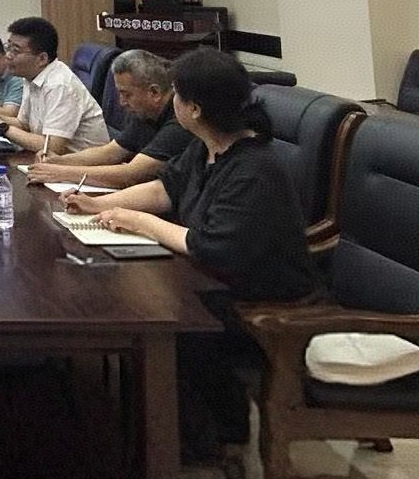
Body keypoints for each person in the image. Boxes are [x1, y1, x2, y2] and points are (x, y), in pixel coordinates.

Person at [59, 49, 321, 461]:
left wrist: (139, 222)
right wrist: (97, 205)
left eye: (177, 95)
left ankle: (204, 441)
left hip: (260, 300)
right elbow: (165, 188)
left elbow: (210, 246)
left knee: (162, 316)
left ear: (194, 108)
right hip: (212, 278)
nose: (172, 102)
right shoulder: (207, 147)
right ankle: (139, 428)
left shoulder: (255, 167)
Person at [27, 49, 189, 188]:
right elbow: (111, 152)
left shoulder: (181, 120)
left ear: (154, 92)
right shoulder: (147, 112)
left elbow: (131, 174)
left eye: (127, 94)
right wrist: (59, 161)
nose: (121, 102)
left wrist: (60, 173)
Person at [0, 16, 109, 155]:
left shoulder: (59, 86)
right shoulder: (30, 77)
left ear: (42, 59)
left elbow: (52, 147)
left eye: (16, 51)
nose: (8, 56)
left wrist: (2, 127)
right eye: (8, 47)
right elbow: (24, 124)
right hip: (50, 161)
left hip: (82, 165)